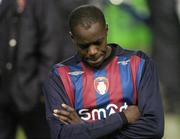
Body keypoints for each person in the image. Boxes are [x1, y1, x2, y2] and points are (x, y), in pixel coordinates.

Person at [43, 5, 164, 139]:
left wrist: (84, 128)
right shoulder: (59, 77)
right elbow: (61, 135)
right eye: (84, 46)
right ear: (73, 38)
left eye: (98, 42)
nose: (92, 51)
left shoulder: (139, 63)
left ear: (106, 30)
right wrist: (121, 118)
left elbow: (154, 128)